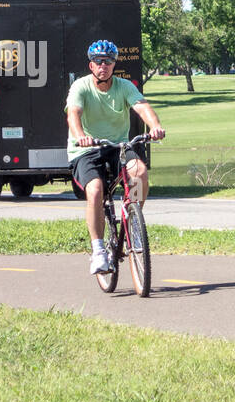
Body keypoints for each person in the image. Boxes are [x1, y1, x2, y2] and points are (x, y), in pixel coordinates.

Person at [66, 40, 166, 275]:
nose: (104, 66)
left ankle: (134, 224)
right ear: (92, 65)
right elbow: (74, 115)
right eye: (99, 61)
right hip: (87, 150)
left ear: (114, 65)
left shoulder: (124, 86)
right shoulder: (80, 87)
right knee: (96, 190)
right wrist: (81, 136)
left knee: (139, 172)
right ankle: (98, 250)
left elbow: (142, 107)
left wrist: (155, 126)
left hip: (117, 146)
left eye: (109, 61)